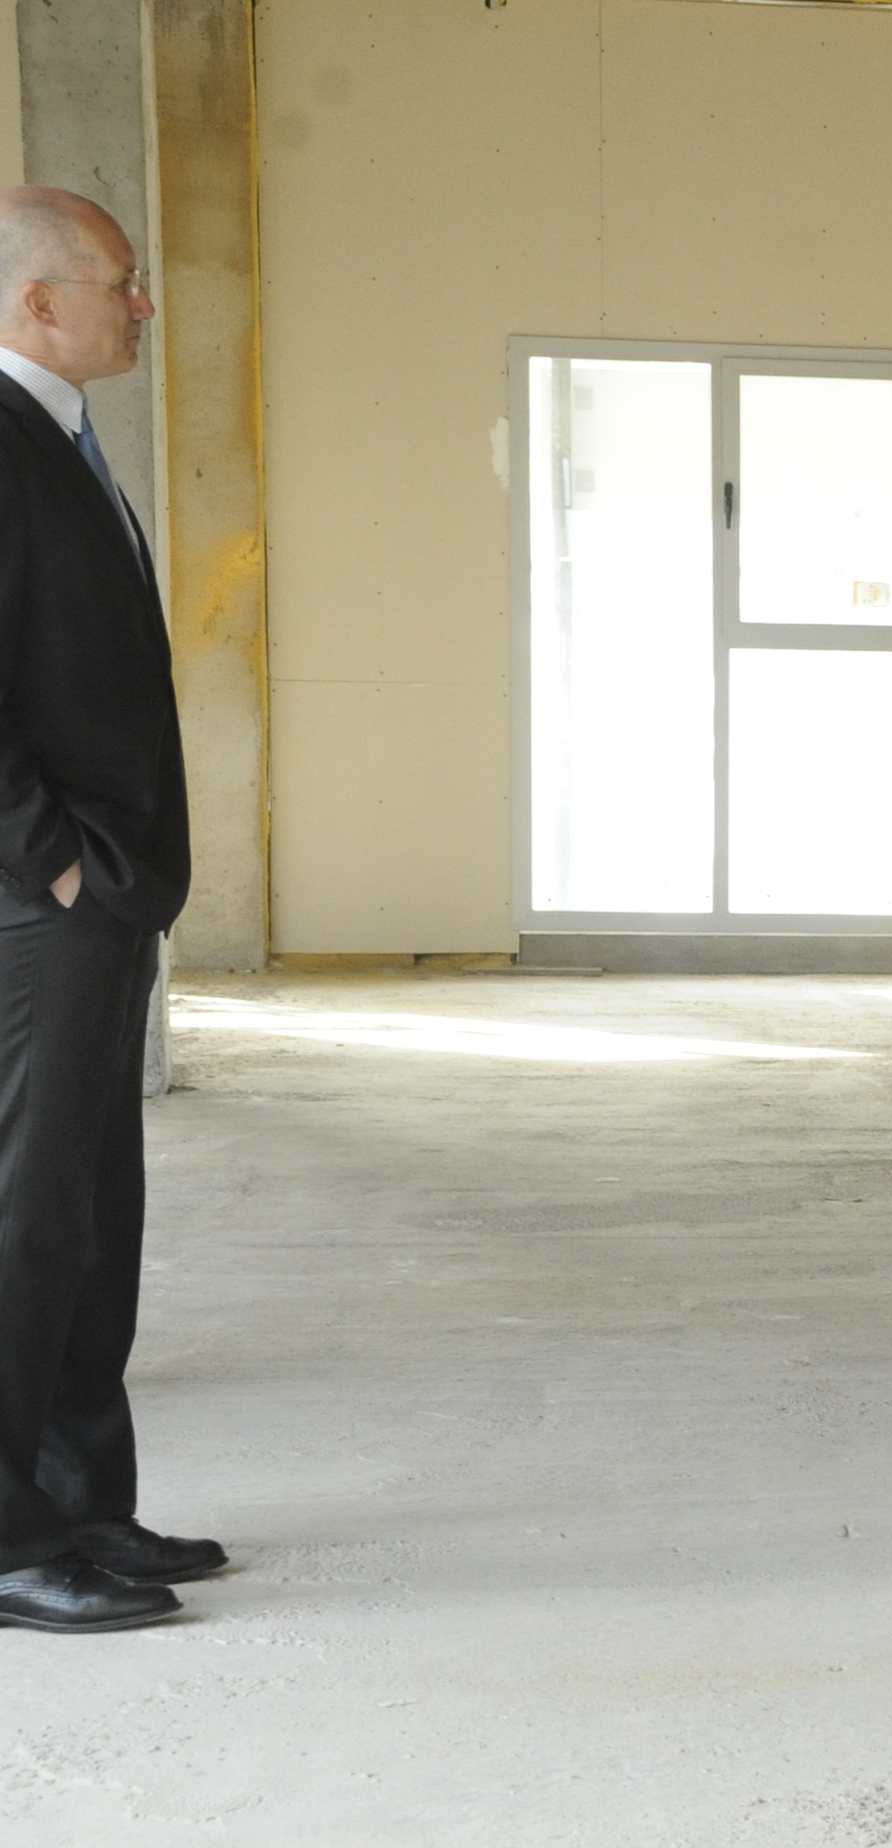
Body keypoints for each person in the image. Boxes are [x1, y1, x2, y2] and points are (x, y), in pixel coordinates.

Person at [0, 187, 219, 1633]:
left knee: (89, 1218)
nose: (142, 306)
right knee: (20, 1223)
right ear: (38, 301)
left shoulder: (62, 439)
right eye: (121, 283)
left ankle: (83, 1504)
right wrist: (57, 864)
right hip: (38, 910)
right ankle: (11, 1542)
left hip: (99, 902)